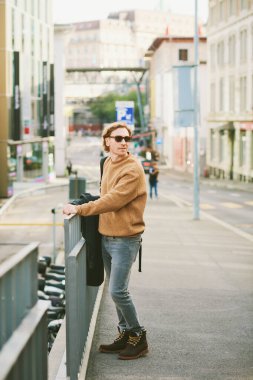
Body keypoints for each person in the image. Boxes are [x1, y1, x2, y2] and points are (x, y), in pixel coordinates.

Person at [63, 121, 148, 360]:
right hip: (106, 236)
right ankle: (124, 334)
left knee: (118, 291)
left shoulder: (132, 169)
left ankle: (138, 335)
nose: (123, 143)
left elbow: (112, 200)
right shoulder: (108, 163)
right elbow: (104, 194)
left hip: (125, 239)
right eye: (118, 138)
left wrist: (80, 209)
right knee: (115, 289)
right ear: (107, 141)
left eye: (126, 139)